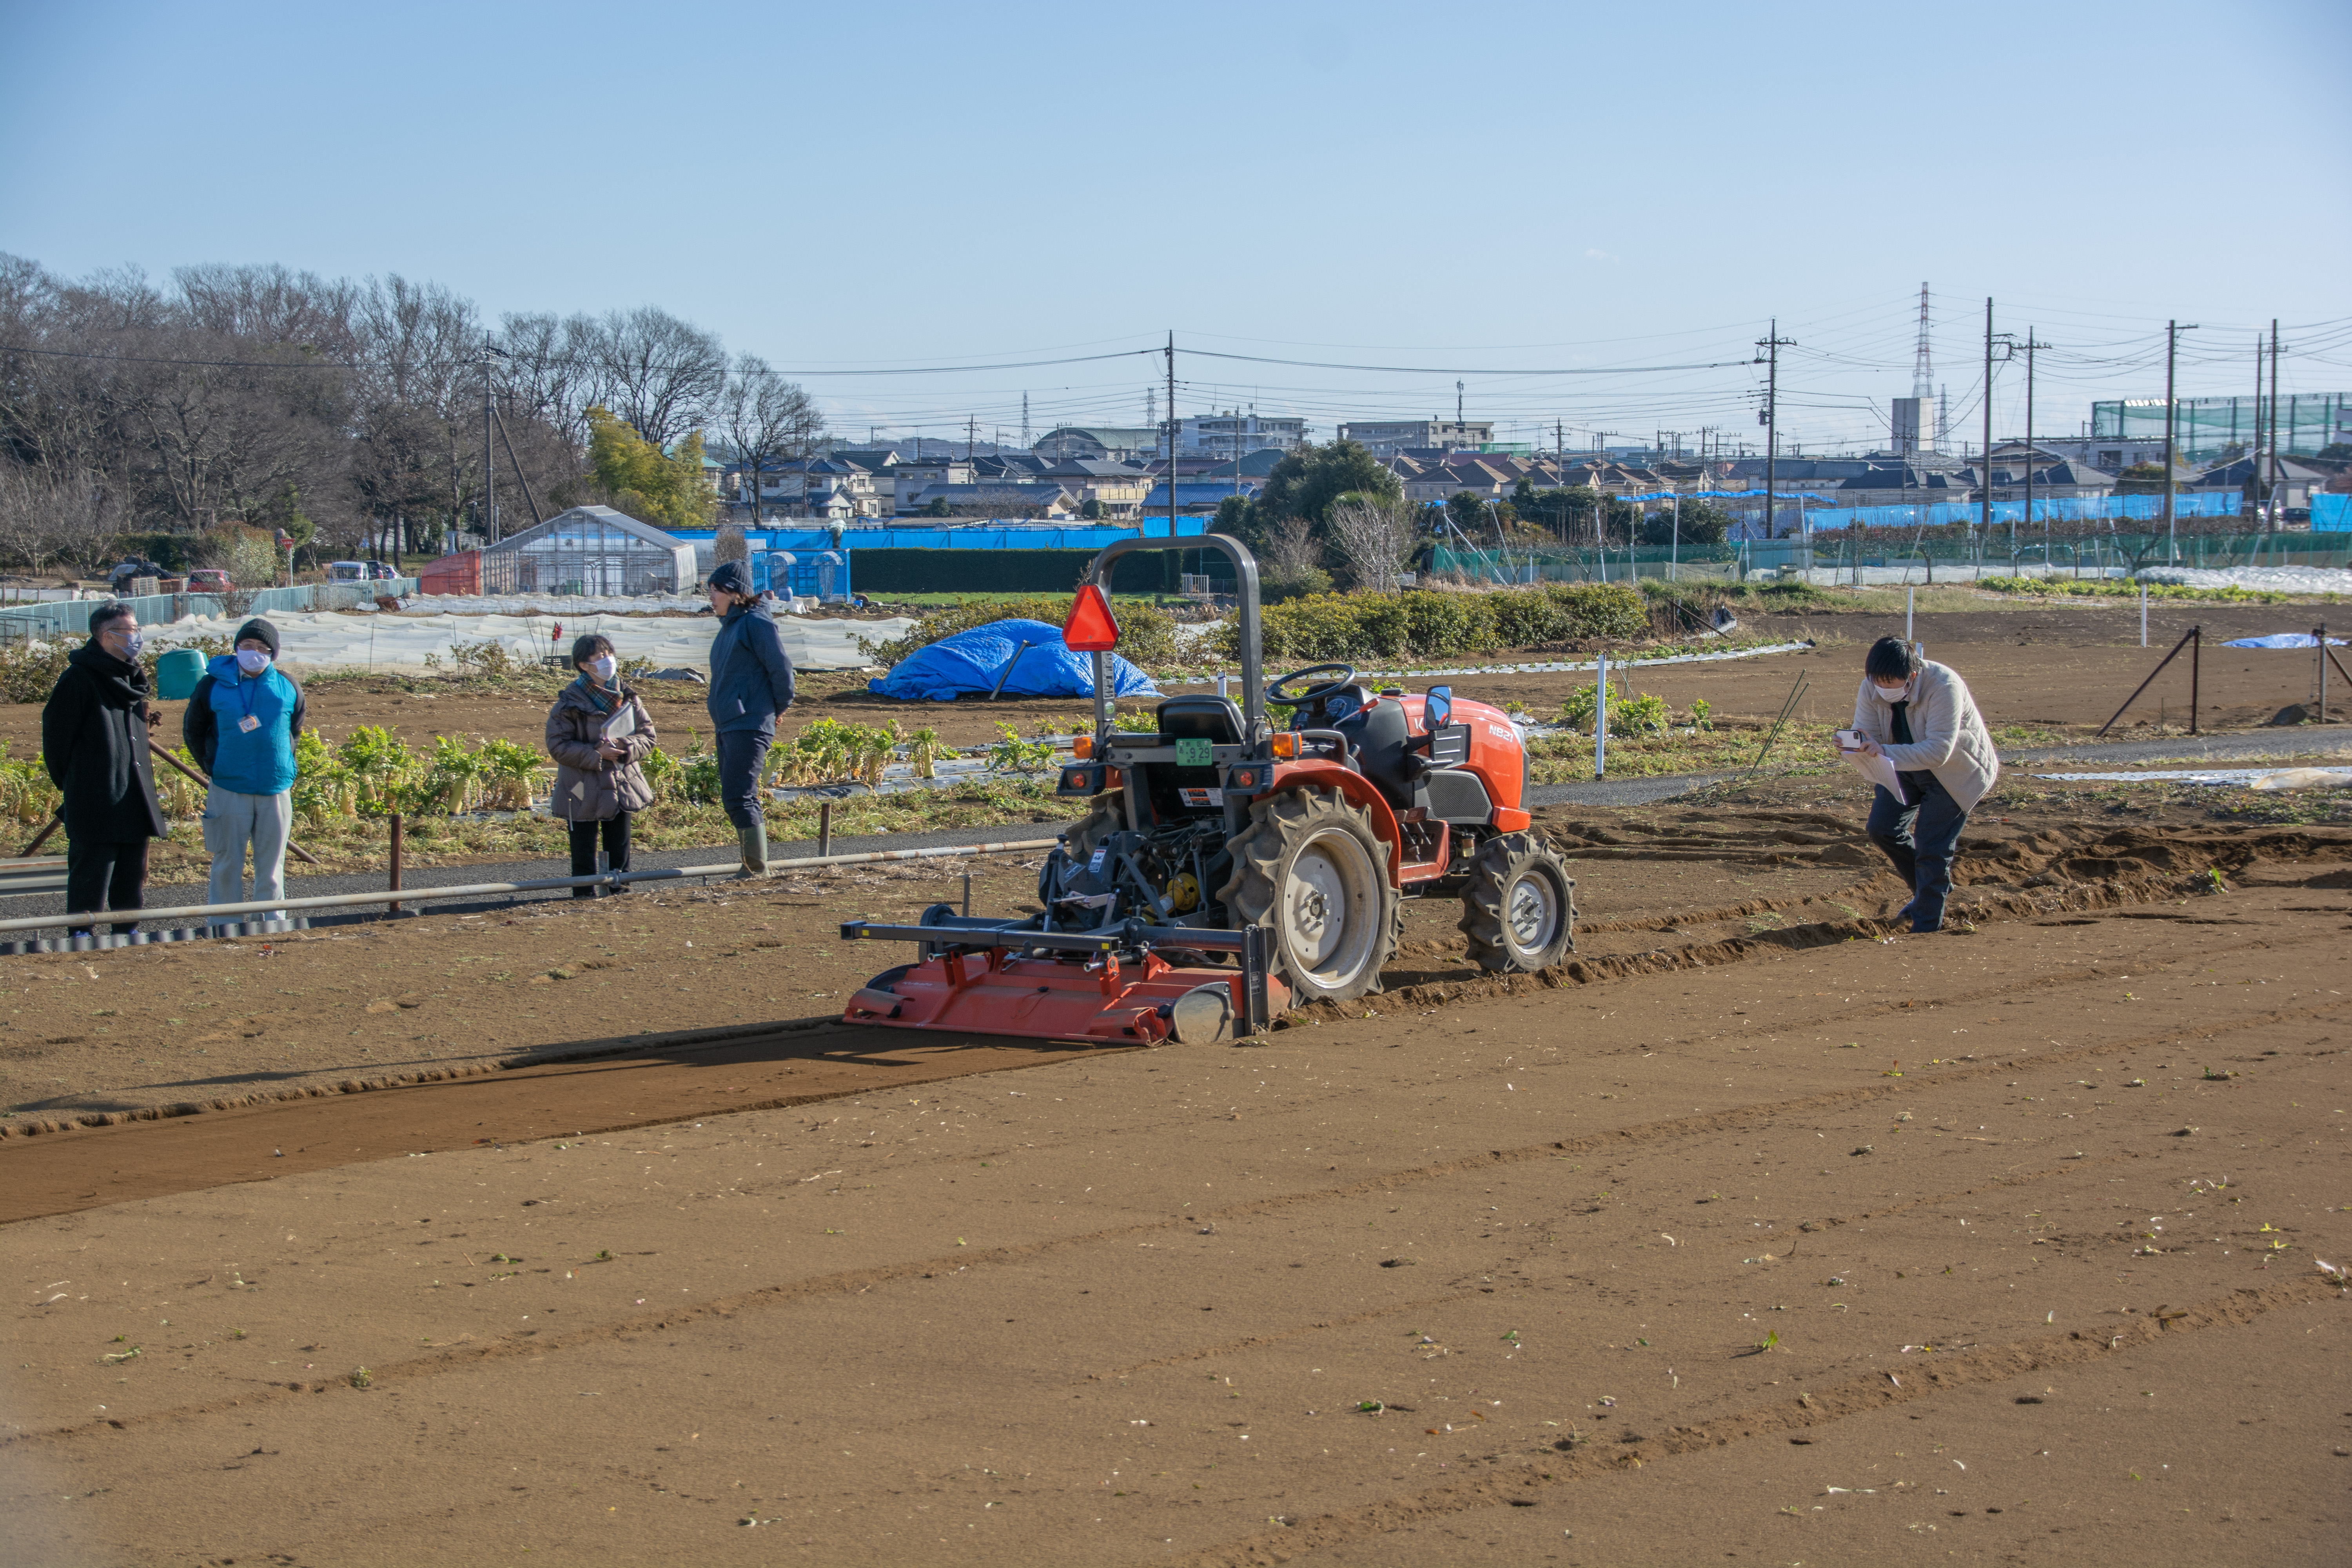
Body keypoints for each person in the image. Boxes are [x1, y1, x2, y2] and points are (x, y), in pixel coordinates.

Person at [1846, 636, 2000, 934]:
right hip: (1902, 765)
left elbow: (1939, 751)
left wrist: (1884, 751)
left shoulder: (1944, 686)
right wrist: (1855, 743)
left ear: (1912, 676)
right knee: (1883, 828)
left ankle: (1927, 927)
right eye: (1877, 679)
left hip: (1954, 772)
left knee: (1932, 846)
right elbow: (1867, 730)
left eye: (1890, 681)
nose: (1882, 687)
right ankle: (1929, 893)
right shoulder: (1871, 687)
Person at [41, 601, 168, 939]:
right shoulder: (79, 679)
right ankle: (82, 941)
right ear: (105, 636)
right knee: (91, 880)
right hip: (95, 801)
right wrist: (80, 784)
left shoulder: (132, 680)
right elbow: (56, 742)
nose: (135, 637)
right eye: (128, 632)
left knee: (130, 882)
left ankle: (128, 936)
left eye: (136, 630)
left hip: (135, 797)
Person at [183, 617, 307, 932]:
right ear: (236, 648)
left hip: (276, 789)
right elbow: (193, 731)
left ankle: (270, 924)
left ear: (273, 654)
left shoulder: (288, 685)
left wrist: (286, 764)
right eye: (248, 646)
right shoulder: (212, 684)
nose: (255, 653)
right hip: (229, 789)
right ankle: (224, 925)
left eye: (263, 648)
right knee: (227, 862)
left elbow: (295, 729)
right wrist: (213, 766)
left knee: (271, 866)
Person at [702, 559, 796, 877]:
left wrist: (777, 708)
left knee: (740, 795)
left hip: (749, 721)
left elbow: (781, 671)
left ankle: (756, 868)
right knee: (734, 796)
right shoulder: (731, 627)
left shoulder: (755, 623)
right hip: (730, 722)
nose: (711, 598)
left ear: (733, 592)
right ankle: (752, 865)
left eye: (715, 591)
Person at [545, 633, 656, 897]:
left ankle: (621, 898)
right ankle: (583, 901)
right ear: (584, 665)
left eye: (609, 654)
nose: (608, 660)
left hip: (621, 783)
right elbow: (558, 747)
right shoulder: (568, 704)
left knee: (621, 850)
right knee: (583, 853)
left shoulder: (627, 696)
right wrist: (598, 753)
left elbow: (648, 736)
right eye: (600, 656)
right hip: (582, 787)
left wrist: (626, 748)